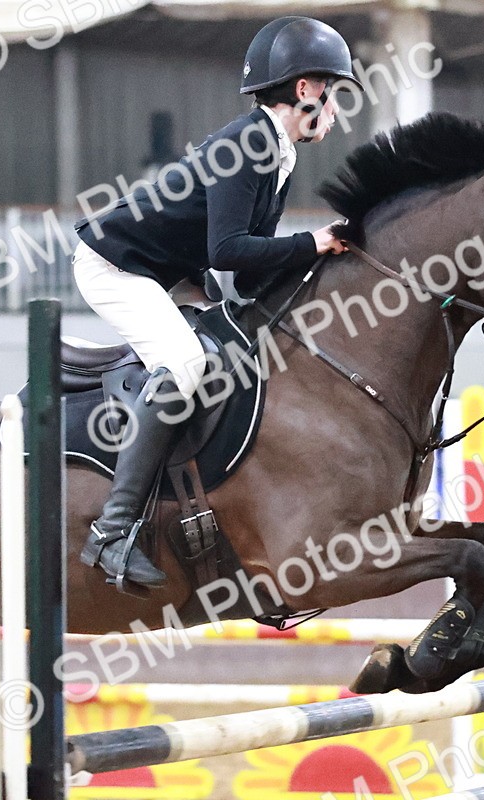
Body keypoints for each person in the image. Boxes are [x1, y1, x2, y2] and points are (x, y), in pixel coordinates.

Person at [72, 16, 362, 588]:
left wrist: (323, 265)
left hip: (170, 268)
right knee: (184, 363)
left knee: (238, 341)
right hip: (117, 266)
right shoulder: (249, 142)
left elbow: (251, 276)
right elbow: (229, 250)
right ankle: (111, 531)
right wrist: (312, 243)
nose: (335, 111)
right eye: (333, 95)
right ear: (305, 89)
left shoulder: (277, 150)